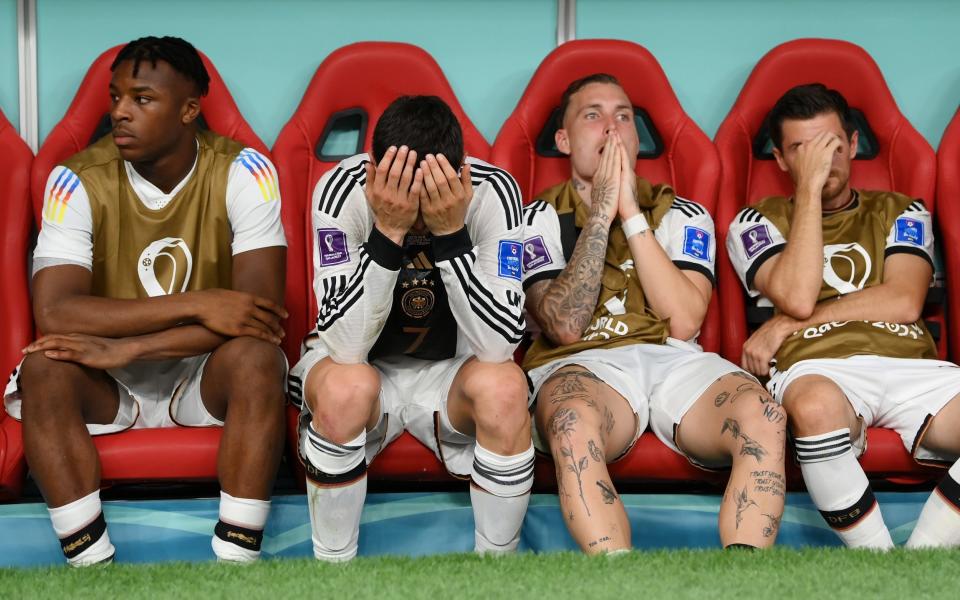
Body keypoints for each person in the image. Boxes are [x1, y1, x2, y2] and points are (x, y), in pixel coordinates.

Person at [4, 36, 288, 565]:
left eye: (142, 99)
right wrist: (200, 302)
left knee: (258, 359)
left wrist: (130, 346)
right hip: (106, 382)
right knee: (43, 366)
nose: (120, 113)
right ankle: (91, 562)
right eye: (115, 98)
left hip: (206, 373)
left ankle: (238, 557)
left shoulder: (246, 171)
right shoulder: (74, 179)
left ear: (188, 109)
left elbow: (259, 317)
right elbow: (58, 312)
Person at [522, 73, 786, 553]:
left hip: (673, 358)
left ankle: (747, 580)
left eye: (624, 117)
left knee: (763, 413)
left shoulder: (683, 213)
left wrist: (631, 213)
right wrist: (601, 212)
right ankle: (618, 578)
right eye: (593, 115)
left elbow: (684, 321)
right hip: (583, 363)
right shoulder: (535, 217)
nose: (612, 128)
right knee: (570, 422)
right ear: (563, 140)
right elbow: (562, 326)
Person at [289, 95, 532, 562]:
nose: (417, 210)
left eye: (432, 194)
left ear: (459, 173)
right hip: (364, 370)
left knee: (505, 386)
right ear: (375, 173)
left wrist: (451, 233)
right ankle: (332, 573)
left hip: (452, 375)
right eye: (401, 191)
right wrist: (388, 232)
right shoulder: (341, 188)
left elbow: (499, 346)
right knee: (345, 386)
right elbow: (344, 346)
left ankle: (498, 571)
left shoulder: (493, 191)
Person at [727, 82, 960, 549]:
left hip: (910, 364)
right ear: (780, 159)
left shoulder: (901, 210)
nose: (821, 161)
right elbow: (794, 294)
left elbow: (904, 299)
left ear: (852, 144)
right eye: (802, 150)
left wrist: (790, 324)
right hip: (818, 368)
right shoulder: (756, 220)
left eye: (830, 146)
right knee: (814, 409)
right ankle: (875, 560)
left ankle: (916, 564)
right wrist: (809, 190)